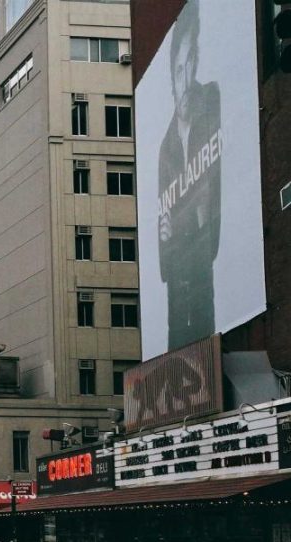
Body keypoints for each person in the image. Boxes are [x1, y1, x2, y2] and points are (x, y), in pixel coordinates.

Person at [157, 0, 221, 350]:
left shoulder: (212, 103)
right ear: (170, 74)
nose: (185, 79)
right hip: (174, 316)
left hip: (204, 295)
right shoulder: (163, 147)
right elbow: (162, 255)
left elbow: (207, 215)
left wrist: (176, 226)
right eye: (178, 69)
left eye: (191, 62)